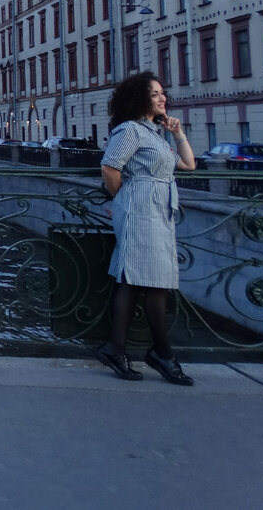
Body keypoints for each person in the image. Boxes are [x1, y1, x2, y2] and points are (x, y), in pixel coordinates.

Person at [97, 71, 197, 385]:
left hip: (158, 210)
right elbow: (110, 167)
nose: (162, 98)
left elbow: (189, 164)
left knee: (136, 280)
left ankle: (116, 348)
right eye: (154, 94)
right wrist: (124, 199)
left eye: (162, 93)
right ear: (140, 99)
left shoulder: (154, 133)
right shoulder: (129, 130)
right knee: (153, 282)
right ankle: (163, 354)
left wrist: (178, 132)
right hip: (141, 208)